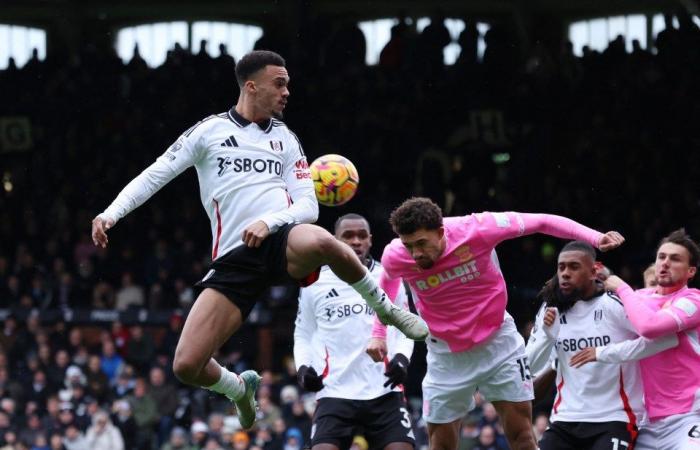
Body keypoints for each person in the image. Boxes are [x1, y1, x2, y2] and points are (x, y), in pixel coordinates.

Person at [90, 50, 427, 430]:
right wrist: (110, 213)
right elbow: (157, 173)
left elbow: (308, 205)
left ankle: (385, 309)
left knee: (325, 242)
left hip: (282, 239)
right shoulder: (209, 132)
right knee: (186, 365)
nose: (287, 92)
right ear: (251, 86)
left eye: (288, 84)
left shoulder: (285, 138)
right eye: (279, 84)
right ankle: (238, 389)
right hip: (235, 258)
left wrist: (269, 222)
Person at [366, 197, 625, 450]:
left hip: (498, 344)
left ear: (441, 231)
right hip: (445, 353)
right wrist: (378, 334)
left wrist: (595, 238)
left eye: (421, 243)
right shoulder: (395, 255)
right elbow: (386, 289)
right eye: (409, 245)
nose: (416, 253)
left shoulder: (479, 228)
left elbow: (542, 221)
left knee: (522, 437)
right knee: (441, 444)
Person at [525, 241, 677, 450]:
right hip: (565, 419)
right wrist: (547, 338)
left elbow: (665, 338)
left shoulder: (613, 303)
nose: (565, 274)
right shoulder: (551, 308)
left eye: (574, 267)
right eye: (561, 267)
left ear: (593, 271)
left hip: (615, 419)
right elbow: (527, 369)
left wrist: (605, 353)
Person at [294, 214, 415, 450]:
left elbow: (405, 327)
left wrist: (402, 360)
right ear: (334, 241)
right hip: (334, 392)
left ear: (370, 240)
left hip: (384, 389)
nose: (356, 241)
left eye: (361, 235)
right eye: (348, 236)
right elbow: (303, 333)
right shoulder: (314, 283)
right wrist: (303, 368)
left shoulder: (389, 278)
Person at [586, 228, 700, 450]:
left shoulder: (693, 301)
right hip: (643, 421)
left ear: (691, 271)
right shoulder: (639, 298)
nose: (665, 263)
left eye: (675, 259)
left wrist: (621, 287)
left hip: (688, 417)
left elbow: (650, 326)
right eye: (661, 257)